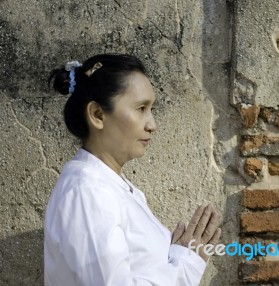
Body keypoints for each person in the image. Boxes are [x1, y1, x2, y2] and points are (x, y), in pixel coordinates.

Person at [44, 53, 222, 286]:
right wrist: (185, 266)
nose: (152, 125)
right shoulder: (88, 193)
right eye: (141, 108)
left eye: (151, 109)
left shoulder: (111, 186)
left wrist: (179, 257)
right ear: (97, 115)